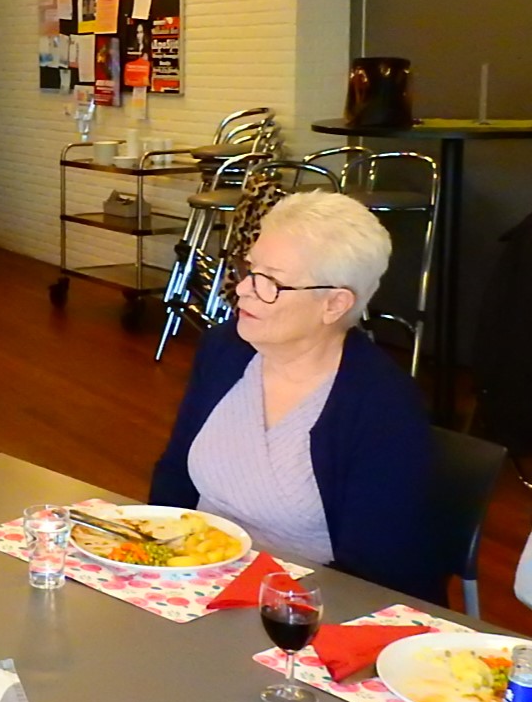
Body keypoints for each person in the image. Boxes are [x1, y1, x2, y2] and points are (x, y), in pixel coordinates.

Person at [150, 191, 446, 602]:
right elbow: (174, 479)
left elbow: (377, 578)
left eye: (271, 281)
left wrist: (263, 600)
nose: (244, 290)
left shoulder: (383, 407)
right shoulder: (226, 350)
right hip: (195, 586)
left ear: (334, 304)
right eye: (249, 269)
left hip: (305, 611)